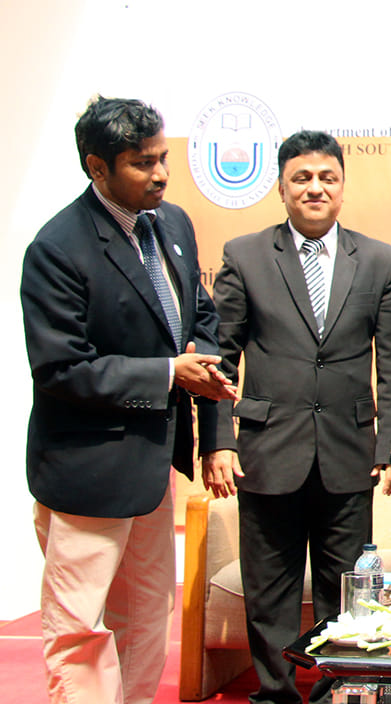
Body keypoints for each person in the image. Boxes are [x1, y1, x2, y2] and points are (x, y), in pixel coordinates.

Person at [20, 95, 236, 704]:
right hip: (86, 471)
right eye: (143, 163)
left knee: (145, 614)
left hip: (152, 464)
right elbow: (62, 369)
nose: (161, 173)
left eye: (163, 157)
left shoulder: (173, 224)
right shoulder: (57, 247)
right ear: (98, 167)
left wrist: (211, 426)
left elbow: (201, 321)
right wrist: (168, 373)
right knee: (81, 627)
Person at [199, 130, 391, 704]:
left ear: (343, 187)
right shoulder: (245, 255)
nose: (315, 188)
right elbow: (219, 359)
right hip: (267, 452)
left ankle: (335, 694)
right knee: (269, 591)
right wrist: (218, 441)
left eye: (327, 178)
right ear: (281, 187)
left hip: (350, 455)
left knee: (345, 594)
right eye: (302, 178)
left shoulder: (378, 259)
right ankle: (275, 694)